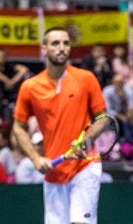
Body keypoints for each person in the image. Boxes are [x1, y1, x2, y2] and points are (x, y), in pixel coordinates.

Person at [12, 26, 106, 224]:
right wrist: (36, 158)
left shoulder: (86, 79)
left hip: (85, 165)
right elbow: (18, 127)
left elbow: (103, 119)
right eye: (55, 43)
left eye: (66, 43)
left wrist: (86, 139)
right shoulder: (30, 87)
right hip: (53, 170)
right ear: (44, 49)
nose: (62, 48)